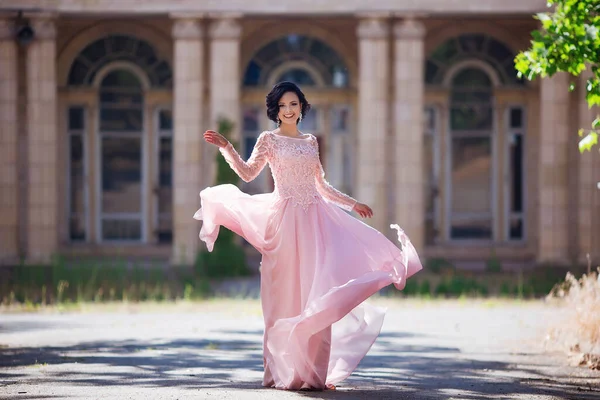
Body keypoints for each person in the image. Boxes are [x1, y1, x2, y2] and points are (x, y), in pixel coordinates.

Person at [194, 81, 422, 391]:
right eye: (283, 105)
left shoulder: (310, 142)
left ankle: (313, 374)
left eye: (294, 104)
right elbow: (247, 173)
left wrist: (352, 204)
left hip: (314, 221)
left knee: (317, 291)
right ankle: (280, 372)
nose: (289, 110)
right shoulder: (268, 140)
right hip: (284, 222)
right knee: (282, 296)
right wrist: (227, 147)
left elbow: (321, 186)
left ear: (302, 107)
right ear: (276, 110)